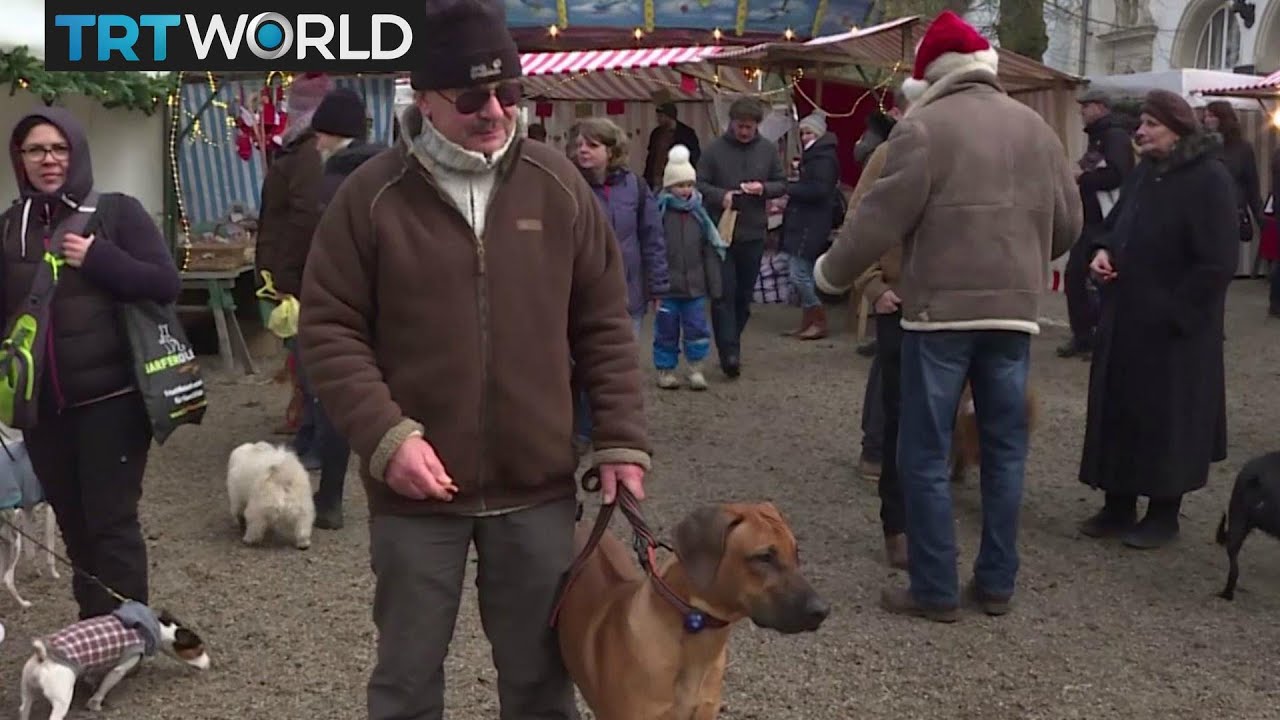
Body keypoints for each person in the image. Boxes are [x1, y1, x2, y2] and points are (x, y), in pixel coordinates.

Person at [297, 0, 652, 717]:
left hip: (538, 486)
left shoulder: (558, 187)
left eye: (509, 92)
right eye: (470, 96)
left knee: (542, 681)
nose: (494, 110)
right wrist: (386, 436)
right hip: (415, 494)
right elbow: (329, 329)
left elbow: (604, 325)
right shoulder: (371, 197)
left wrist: (620, 439)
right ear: (424, 99)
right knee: (405, 679)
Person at [813, 10, 1081, 621]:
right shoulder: (1037, 128)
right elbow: (1069, 225)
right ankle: (996, 584)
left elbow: (877, 218)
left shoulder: (925, 128)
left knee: (925, 452)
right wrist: (1020, 261)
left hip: (939, 316)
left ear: (929, 76)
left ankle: (934, 589)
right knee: (1005, 450)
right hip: (1014, 315)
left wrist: (831, 275)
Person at [3, 108, 182, 619]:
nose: (48, 160)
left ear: (77, 152)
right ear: (21, 159)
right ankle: (93, 624)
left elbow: (165, 284)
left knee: (111, 521)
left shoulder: (118, 213)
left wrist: (101, 258)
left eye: (59, 149)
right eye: (36, 150)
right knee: (74, 521)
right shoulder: (9, 227)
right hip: (44, 411)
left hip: (113, 402)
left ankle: (129, 630)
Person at [1078, 89, 1236, 550]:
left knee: (1167, 419)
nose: (1140, 132)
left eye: (1151, 124)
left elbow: (1217, 263)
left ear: (1178, 128)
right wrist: (1103, 251)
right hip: (1126, 317)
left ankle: (1163, 512)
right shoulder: (1146, 173)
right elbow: (1116, 224)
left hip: (1174, 332)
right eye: (1140, 124)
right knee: (1120, 410)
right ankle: (1118, 503)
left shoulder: (1210, 179)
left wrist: (1174, 311)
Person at [300, 87, 386, 531]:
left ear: (334, 135)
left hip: (345, 304)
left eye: (320, 134)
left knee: (337, 400)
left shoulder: (334, 182)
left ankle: (330, 498)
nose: (316, 143)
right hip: (394, 304)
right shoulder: (393, 172)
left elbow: (322, 253)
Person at [567, 117, 669, 455]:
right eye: (579, 144)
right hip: (579, 294)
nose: (582, 150)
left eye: (592, 145)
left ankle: (618, 433)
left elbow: (652, 238)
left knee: (620, 366)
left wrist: (658, 286)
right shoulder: (565, 185)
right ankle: (582, 429)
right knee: (582, 364)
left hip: (629, 295)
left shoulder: (636, 188)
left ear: (612, 151)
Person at [254, 72, 331, 466]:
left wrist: (286, 271)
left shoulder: (305, 154)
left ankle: (318, 440)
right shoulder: (298, 149)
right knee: (302, 359)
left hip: (301, 275)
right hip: (294, 270)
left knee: (311, 358)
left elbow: (304, 215)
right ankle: (307, 433)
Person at [848, 91, 910, 568]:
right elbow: (860, 219)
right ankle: (900, 527)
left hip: (956, 308)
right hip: (899, 300)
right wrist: (871, 284)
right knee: (894, 397)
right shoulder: (890, 153)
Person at [697, 97, 787, 379]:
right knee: (723, 293)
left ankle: (731, 340)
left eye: (749, 127)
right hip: (720, 233)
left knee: (744, 297)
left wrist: (764, 188)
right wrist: (720, 196)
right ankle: (729, 354)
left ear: (757, 126)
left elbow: (782, 183)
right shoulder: (713, 150)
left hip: (753, 231)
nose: (744, 131)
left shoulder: (768, 151)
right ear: (731, 123)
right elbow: (699, 183)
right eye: (740, 126)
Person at [1058, 88, 1135, 360]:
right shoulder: (1099, 138)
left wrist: (1082, 178)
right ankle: (1083, 336)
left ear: (1101, 107)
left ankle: (1102, 338)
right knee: (1075, 278)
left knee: (1099, 282)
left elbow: (1118, 174)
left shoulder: (1115, 137)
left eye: (1086, 106)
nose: (1081, 111)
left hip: (1106, 221)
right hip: (1089, 220)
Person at [652, 144, 728, 391]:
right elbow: (653, 249)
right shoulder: (659, 214)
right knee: (666, 330)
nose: (685, 190)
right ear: (668, 186)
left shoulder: (699, 215)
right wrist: (653, 284)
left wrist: (713, 284)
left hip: (695, 286)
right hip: (667, 287)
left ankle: (696, 368)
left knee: (697, 329)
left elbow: (709, 250)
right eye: (680, 185)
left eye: (689, 185)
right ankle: (666, 369)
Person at [781, 110, 840, 341]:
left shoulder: (823, 159)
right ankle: (809, 321)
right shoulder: (817, 157)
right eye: (803, 132)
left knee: (799, 273)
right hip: (808, 219)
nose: (805, 136)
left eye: (809, 132)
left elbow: (820, 190)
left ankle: (818, 319)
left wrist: (791, 188)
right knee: (801, 272)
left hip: (811, 221)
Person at [644, 102, 701, 191]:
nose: (658, 119)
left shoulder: (687, 134)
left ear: (669, 116)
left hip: (677, 181)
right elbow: (651, 157)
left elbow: (695, 156)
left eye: (661, 116)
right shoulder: (656, 133)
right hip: (656, 180)